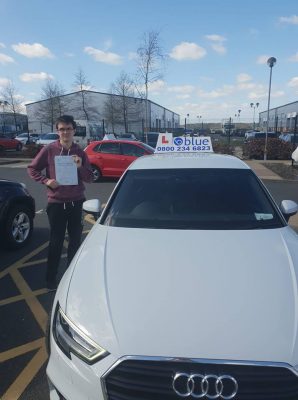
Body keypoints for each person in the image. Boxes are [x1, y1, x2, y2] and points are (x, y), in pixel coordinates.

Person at [28, 115, 93, 290]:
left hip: (76, 202)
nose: (65, 132)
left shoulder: (80, 152)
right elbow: (32, 168)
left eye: (68, 128)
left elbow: (89, 178)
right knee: (56, 242)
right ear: (57, 131)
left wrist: (80, 167)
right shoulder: (49, 150)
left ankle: (71, 279)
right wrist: (46, 181)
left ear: (74, 130)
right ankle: (51, 280)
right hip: (56, 203)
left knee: (74, 242)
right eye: (62, 129)